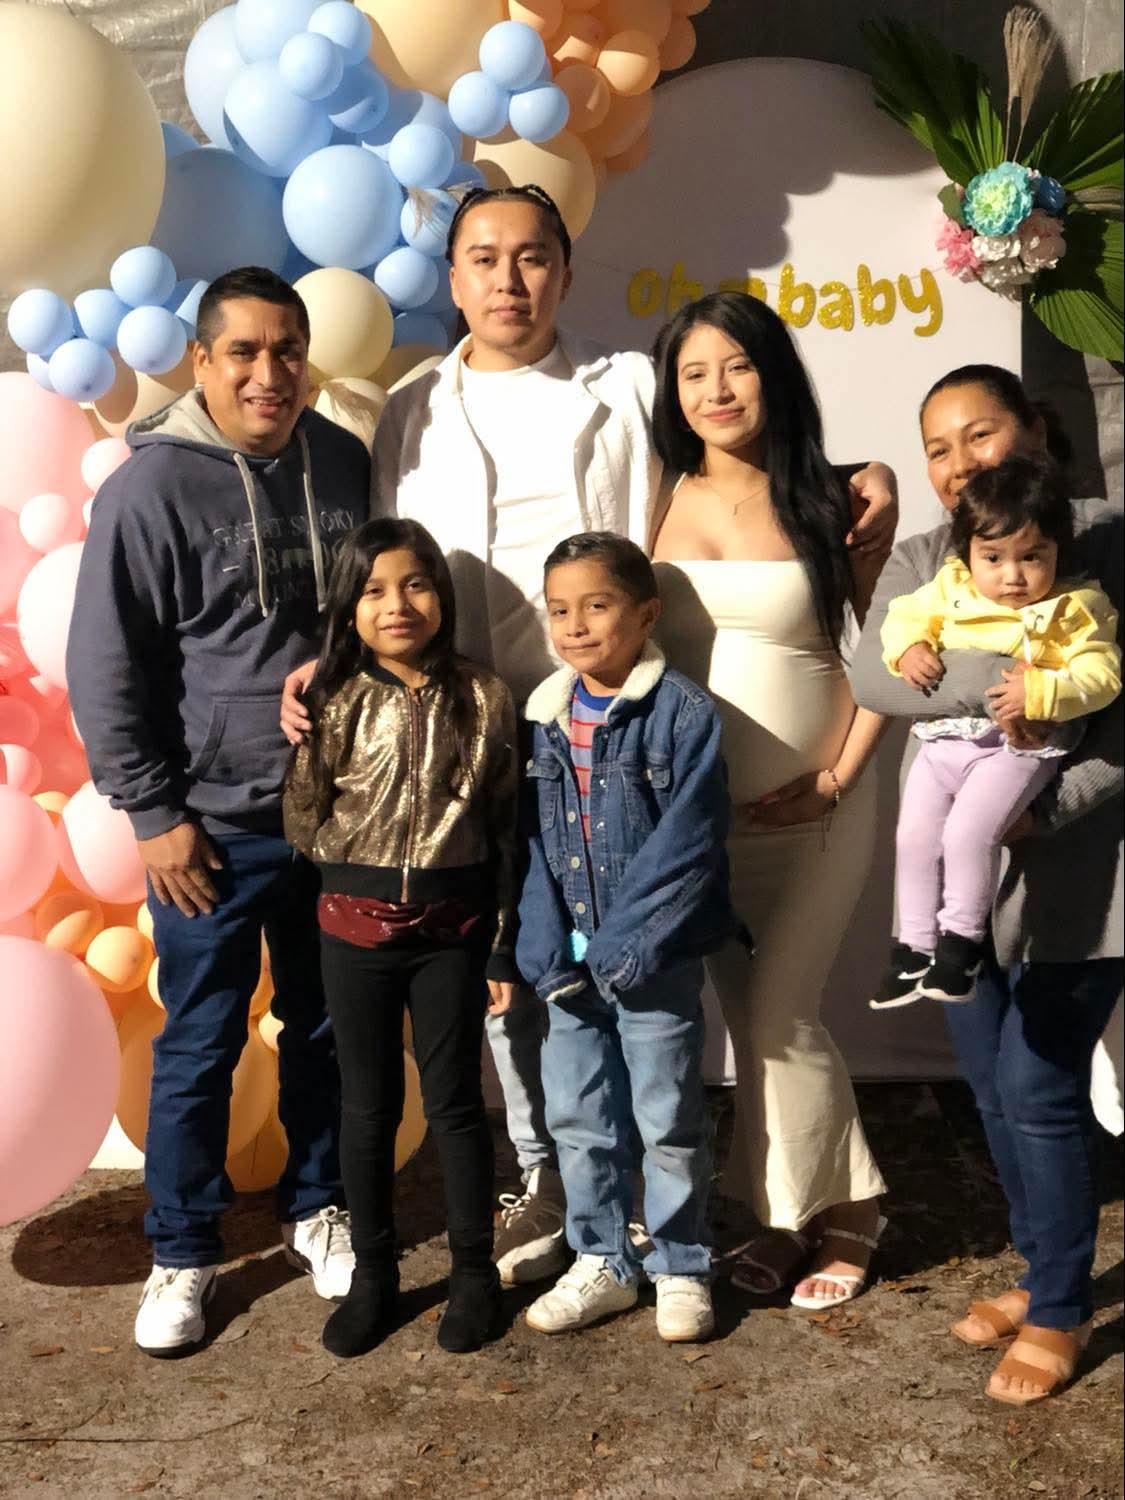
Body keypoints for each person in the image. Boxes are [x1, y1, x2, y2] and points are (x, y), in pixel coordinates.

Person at [281, 184, 899, 1290]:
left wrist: (870, 480)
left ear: (565, 271)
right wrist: (333, 669)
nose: (507, 280)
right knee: (521, 970)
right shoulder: (413, 407)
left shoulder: (627, 388)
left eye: (531, 257)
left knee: (639, 974)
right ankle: (560, 1186)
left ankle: (655, 1209)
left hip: (608, 735)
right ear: (452, 277)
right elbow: (386, 568)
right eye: (483, 259)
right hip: (464, 738)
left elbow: (749, 467)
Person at [67, 267, 371, 1357]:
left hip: (334, 819)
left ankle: (318, 1207)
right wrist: (155, 813)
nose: (268, 373)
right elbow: (106, 662)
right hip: (211, 827)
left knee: (324, 1030)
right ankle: (183, 1252)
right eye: (243, 351)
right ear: (202, 361)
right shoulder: (149, 490)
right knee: (198, 1043)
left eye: (287, 350)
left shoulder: (340, 462)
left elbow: (367, 617)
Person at [851, 363, 1124, 1406]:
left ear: (1037, 434)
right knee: (989, 1084)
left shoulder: (1104, 536)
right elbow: (877, 674)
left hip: (1087, 869)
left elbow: (1119, 703)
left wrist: (1042, 797)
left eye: (981, 434)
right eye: (938, 447)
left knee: (1038, 1087)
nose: (961, 463)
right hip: (975, 888)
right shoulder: (931, 552)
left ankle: (1059, 1310)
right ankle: (1038, 1267)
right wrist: (1006, 680)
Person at [649, 290, 889, 1311]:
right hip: (705, 817)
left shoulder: (843, 497)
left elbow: (890, 655)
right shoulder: (654, 492)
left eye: (735, 366)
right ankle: (789, 1217)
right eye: (693, 372)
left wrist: (836, 774)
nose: (715, 389)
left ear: (772, 371)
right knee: (750, 1023)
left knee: (784, 1010)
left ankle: (856, 1214)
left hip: (822, 799)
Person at [284, 518, 518, 1357]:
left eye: (415, 584)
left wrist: (498, 942)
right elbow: (305, 814)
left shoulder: (486, 698)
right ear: (348, 607)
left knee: (455, 1104)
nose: (397, 605)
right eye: (374, 590)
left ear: (441, 597)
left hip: (452, 935)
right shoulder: (329, 699)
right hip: (353, 935)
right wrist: (364, 879)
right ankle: (375, 1277)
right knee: (368, 1106)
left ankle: (471, 1276)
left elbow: (505, 830)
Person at [517, 533, 744, 1341]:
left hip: (652, 962)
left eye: (597, 605)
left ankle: (681, 1263)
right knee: (579, 1118)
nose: (575, 626)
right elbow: (532, 846)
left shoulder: (681, 714)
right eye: (559, 610)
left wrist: (625, 944)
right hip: (568, 975)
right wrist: (544, 949)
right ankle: (603, 1258)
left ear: (646, 613)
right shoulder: (541, 718)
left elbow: (688, 845)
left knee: (667, 1119)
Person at [872, 456, 1120, 1008]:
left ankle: (960, 946)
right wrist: (908, 648)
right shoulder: (950, 586)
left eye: (1033, 556)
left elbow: (1102, 675)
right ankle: (912, 947)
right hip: (942, 742)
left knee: (967, 835)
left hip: (1017, 748)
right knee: (913, 838)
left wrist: (1043, 692)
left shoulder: (1078, 606)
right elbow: (903, 616)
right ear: (968, 555)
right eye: (993, 557)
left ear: (1058, 551)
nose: (1013, 575)